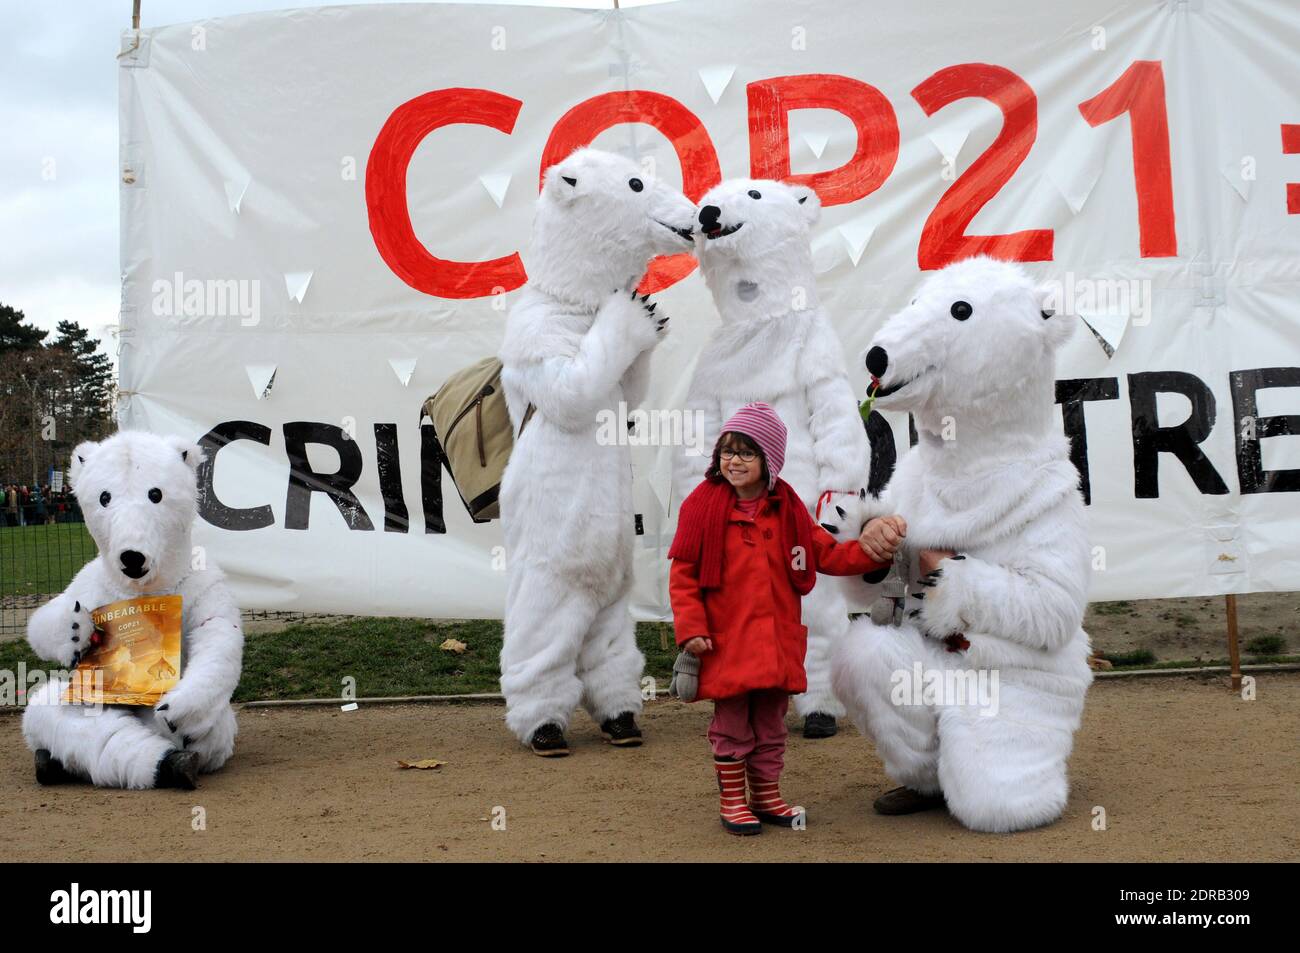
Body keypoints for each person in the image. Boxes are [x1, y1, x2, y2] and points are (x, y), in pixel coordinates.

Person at [667, 402, 907, 835]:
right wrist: (692, 630)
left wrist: (871, 552)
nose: (734, 461)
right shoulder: (701, 509)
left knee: (771, 725)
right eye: (727, 451)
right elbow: (683, 576)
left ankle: (765, 796)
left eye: (746, 453)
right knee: (732, 725)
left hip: (775, 642)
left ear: (769, 461)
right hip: (728, 644)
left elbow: (826, 552)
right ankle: (734, 802)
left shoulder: (789, 510)